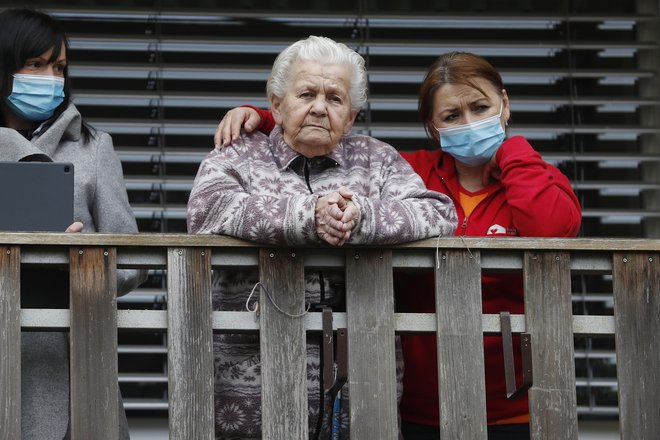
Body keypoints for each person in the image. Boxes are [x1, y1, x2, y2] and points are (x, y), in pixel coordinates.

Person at [214, 51, 582, 439]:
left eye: (481, 107)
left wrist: (512, 151)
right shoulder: (411, 172)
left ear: (504, 105)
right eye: (452, 116)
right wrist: (269, 116)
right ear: (433, 125)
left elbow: (553, 230)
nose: (470, 123)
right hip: (421, 405)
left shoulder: (536, 178)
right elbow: (325, 139)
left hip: (519, 402)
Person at [188, 35, 457, 438]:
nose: (319, 107)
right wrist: (307, 215)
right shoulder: (237, 154)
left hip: (362, 383)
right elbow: (206, 210)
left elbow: (438, 213)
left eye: (335, 98)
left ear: (350, 117)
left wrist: (361, 217)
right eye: (306, 93)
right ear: (276, 105)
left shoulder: (377, 159)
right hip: (249, 387)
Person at [0, 8, 146, 440]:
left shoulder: (93, 148)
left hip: (73, 364)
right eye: (36, 64)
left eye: (59, 67)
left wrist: (82, 259)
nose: (50, 77)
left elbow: (134, 261)